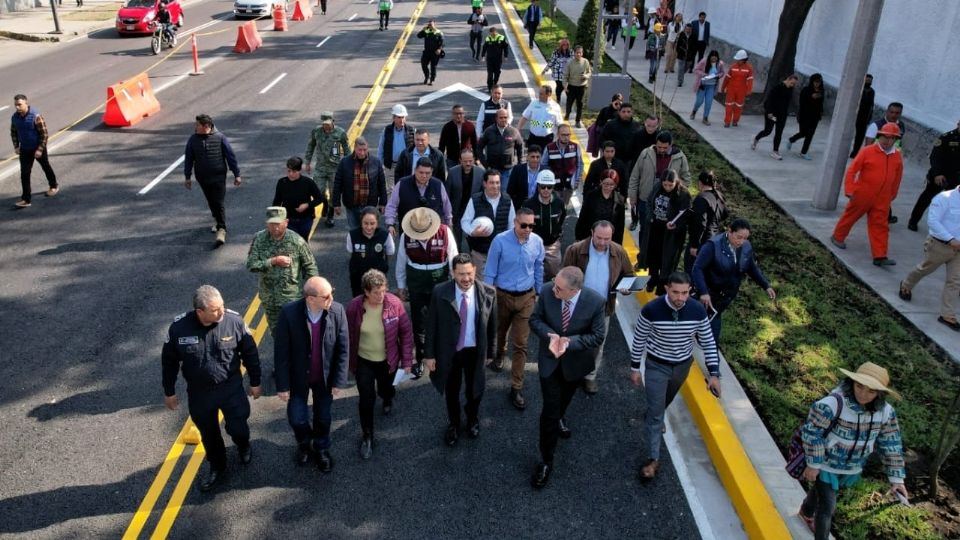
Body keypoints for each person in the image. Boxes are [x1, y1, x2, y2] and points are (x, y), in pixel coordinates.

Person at [161, 285, 261, 491]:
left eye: (222, 306)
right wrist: (169, 391)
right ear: (200, 312)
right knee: (209, 434)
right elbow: (169, 362)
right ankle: (217, 465)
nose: (221, 312)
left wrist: (255, 381)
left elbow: (250, 353)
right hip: (200, 393)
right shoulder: (179, 329)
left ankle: (243, 444)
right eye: (215, 310)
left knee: (239, 426)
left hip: (230, 387)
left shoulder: (233, 321)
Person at [798, 363, 907, 540]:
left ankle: (806, 511)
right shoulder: (831, 404)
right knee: (828, 507)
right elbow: (812, 432)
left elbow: (890, 443)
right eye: (859, 386)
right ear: (852, 382)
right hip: (825, 464)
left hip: (851, 467)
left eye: (871, 391)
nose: (863, 394)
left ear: (880, 393)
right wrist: (813, 464)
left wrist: (897, 478)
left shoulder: (886, 413)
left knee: (822, 493)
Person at [630, 271, 720, 480]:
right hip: (656, 366)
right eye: (675, 292)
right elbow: (639, 339)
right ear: (667, 289)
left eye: (685, 293)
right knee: (655, 412)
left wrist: (714, 374)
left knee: (663, 402)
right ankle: (653, 459)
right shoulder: (652, 310)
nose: (680, 298)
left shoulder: (697, 310)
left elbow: (707, 341)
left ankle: (658, 413)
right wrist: (635, 368)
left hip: (682, 366)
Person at [529, 267, 607, 488]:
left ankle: (561, 416)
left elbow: (598, 335)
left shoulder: (595, 302)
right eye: (555, 284)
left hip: (575, 364)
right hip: (550, 363)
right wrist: (550, 336)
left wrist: (568, 343)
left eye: (560, 289)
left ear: (574, 291)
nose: (554, 290)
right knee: (550, 410)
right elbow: (535, 320)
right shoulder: (546, 292)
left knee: (564, 400)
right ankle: (546, 460)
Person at [274, 276, 349, 472]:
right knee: (297, 419)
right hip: (298, 378)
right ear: (310, 299)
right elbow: (281, 352)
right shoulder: (289, 313)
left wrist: (339, 380)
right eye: (326, 296)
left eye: (331, 292)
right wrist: (282, 385)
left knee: (323, 418)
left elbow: (343, 348)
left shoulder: (337, 311)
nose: (331, 298)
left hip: (324, 378)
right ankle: (305, 444)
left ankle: (322, 448)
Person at [425, 253, 498, 445]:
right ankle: (454, 424)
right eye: (460, 274)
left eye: (469, 273)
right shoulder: (440, 292)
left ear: (474, 271)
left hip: (475, 352)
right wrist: (429, 355)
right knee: (452, 391)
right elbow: (431, 325)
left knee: (475, 391)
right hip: (451, 353)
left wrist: (491, 352)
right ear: (453, 273)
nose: (465, 279)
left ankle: (472, 419)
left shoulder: (489, 292)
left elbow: (492, 326)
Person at [346, 269, 413, 458]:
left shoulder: (394, 304)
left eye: (383, 290)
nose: (381, 296)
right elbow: (347, 335)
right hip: (363, 361)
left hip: (387, 360)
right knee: (366, 399)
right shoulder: (353, 308)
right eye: (376, 292)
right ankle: (367, 436)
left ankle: (387, 397)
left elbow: (406, 333)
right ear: (366, 292)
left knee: (385, 389)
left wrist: (407, 361)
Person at [562, 221, 634, 394]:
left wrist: (626, 287)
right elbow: (563, 275)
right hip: (577, 307)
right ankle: (569, 373)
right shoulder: (575, 250)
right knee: (571, 341)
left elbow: (629, 274)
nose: (602, 242)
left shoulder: (618, 251)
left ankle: (589, 377)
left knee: (597, 345)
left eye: (606, 239)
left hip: (603, 309)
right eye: (599, 238)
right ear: (591, 233)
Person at [484, 208, 545, 410]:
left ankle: (516, 387)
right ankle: (500, 354)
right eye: (523, 225)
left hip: (526, 297)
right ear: (515, 222)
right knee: (500, 332)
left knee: (521, 344)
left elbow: (538, 267)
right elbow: (490, 271)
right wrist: (488, 298)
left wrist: (538, 292)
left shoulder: (537, 242)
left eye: (531, 226)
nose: (527, 229)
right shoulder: (499, 241)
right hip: (502, 296)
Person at [396, 208, 459, 377]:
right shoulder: (405, 236)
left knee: (442, 319)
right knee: (419, 324)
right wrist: (401, 286)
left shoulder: (445, 232)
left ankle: (441, 354)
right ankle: (422, 357)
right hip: (417, 285)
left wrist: (457, 286)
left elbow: (454, 258)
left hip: (441, 285)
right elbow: (401, 263)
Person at [830, 122, 904, 267]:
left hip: (883, 198)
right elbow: (852, 171)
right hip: (863, 193)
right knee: (850, 216)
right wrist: (850, 190)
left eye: (892, 139)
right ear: (880, 136)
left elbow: (897, 177)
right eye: (886, 138)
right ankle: (837, 236)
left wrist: (892, 195)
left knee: (880, 225)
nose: (888, 141)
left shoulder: (897, 157)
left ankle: (880, 255)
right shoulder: (867, 151)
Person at [691, 218, 775, 341]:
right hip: (710, 295)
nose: (741, 241)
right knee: (711, 333)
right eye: (738, 237)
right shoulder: (713, 245)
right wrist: (704, 292)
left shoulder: (746, 247)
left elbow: (751, 267)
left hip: (726, 296)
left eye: (745, 238)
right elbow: (697, 268)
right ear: (730, 231)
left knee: (705, 323)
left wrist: (766, 285)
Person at [246, 206, 319, 332]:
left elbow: (310, 266)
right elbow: (251, 265)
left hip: (291, 298)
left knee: (295, 332)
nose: (275, 227)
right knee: (277, 333)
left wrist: (312, 291)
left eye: (278, 224)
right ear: (266, 223)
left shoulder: (296, 241)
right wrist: (273, 261)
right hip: (269, 299)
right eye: (271, 224)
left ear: (286, 222)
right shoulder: (259, 238)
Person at [898, 185, 960, 332]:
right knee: (924, 269)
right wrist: (950, 239)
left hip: (958, 250)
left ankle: (947, 314)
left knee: (955, 281)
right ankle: (906, 285)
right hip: (940, 245)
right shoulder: (944, 198)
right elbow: (933, 222)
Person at [183, 114, 241, 246]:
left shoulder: (220, 138)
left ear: (206, 126)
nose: (195, 127)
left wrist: (236, 174)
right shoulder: (193, 140)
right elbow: (189, 159)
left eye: (197, 125)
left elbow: (230, 157)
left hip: (218, 177)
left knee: (218, 202)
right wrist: (187, 176)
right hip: (202, 177)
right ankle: (217, 219)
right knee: (211, 201)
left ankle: (221, 229)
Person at [629, 130, 691, 251]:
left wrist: (673, 189)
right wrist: (632, 195)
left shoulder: (680, 157)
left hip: (668, 204)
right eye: (659, 147)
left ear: (671, 145)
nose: (661, 150)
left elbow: (687, 179)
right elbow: (635, 175)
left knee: (662, 234)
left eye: (665, 147)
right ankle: (642, 257)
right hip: (645, 200)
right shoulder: (646, 154)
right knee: (645, 230)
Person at [637, 170, 691, 294]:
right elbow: (649, 203)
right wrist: (650, 216)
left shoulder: (683, 194)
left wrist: (675, 224)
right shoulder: (657, 187)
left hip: (671, 235)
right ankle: (652, 279)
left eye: (670, 185)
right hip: (655, 228)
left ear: (676, 182)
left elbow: (686, 215)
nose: (667, 188)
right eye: (665, 184)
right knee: (653, 256)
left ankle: (662, 286)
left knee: (666, 261)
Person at [907, 120, 960, 231]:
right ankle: (913, 220)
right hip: (941, 175)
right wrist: (937, 174)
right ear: (958, 125)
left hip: (956, 178)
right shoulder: (946, 138)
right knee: (926, 198)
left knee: (951, 204)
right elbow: (935, 157)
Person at [462, 168, 516, 276]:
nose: (495, 186)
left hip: (501, 251)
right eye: (491, 183)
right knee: (482, 285)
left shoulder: (507, 200)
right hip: (480, 252)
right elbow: (465, 221)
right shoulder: (475, 200)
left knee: (500, 281)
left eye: (497, 182)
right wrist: (473, 232)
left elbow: (512, 225)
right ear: (485, 184)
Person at [384, 157, 453, 237]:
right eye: (421, 172)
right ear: (415, 170)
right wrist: (390, 224)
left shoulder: (438, 185)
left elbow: (447, 208)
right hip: (408, 232)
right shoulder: (402, 184)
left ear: (432, 172)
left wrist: (449, 227)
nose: (424, 176)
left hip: (434, 233)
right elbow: (392, 206)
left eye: (427, 173)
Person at [10, 94, 58, 209]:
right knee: (24, 173)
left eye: (19, 104)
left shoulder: (36, 116)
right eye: (15, 105)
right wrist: (16, 146)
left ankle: (54, 186)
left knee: (45, 166)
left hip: (38, 148)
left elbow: (44, 134)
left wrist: (40, 149)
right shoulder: (15, 117)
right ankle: (26, 199)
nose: (17, 107)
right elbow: (13, 132)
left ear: (26, 103)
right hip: (25, 149)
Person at [304, 111, 351, 228]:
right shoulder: (316, 132)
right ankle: (324, 202)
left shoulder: (340, 133)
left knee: (334, 192)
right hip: (320, 167)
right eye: (324, 124)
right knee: (317, 191)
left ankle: (330, 215)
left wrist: (348, 165)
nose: (326, 126)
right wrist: (307, 162)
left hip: (334, 168)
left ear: (333, 121)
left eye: (328, 123)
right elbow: (311, 146)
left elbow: (347, 150)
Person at [862, 102, 906, 225]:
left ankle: (883, 214)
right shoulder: (876, 126)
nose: (894, 115)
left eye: (897, 113)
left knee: (885, 191)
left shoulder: (901, 126)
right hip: (877, 163)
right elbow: (868, 146)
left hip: (891, 163)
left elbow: (898, 144)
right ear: (887, 111)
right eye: (891, 112)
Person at [332, 136, 388, 231]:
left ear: (368, 148)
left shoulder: (376, 162)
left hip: (370, 206)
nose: (362, 153)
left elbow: (382, 183)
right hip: (352, 206)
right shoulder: (345, 162)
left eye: (364, 150)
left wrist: (383, 202)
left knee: (369, 231)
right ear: (355, 148)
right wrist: (336, 204)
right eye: (359, 150)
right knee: (355, 232)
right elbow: (337, 183)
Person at [522, 170, 565, 280]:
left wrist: (557, 232)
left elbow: (562, 217)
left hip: (552, 245)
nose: (546, 190)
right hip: (533, 245)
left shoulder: (559, 203)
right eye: (543, 186)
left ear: (553, 187)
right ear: (538, 187)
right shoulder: (528, 204)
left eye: (549, 187)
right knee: (530, 274)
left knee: (555, 274)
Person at [346, 207, 395, 298]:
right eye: (365, 223)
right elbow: (351, 252)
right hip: (357, 276)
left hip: (378, 276)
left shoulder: (385, 235)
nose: (369, 227)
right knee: (359, 301)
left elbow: (390, 252)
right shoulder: (352, 235)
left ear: (377, 223)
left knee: (377, 299)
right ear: (361, 222)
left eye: (372, 223)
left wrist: (384, 266)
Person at [685, 170, 727, 272]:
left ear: (700, 183)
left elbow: (700, 224)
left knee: (692, 271)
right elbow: (725, 214)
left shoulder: (701, 198)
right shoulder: (719, 196)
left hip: (701, 242)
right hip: (714, 239)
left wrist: (695, 245)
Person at [272, 156, 323, 241]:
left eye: (294, 171)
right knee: (291, 243)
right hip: (288, 220)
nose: (290, 174)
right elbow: (277, 201)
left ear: (300, 171)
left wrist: (307, 205)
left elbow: (319, 198)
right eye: (288, 171)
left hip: (305, 220)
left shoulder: (308, 183)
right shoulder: (282, 182)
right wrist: (275, 219)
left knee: (303, 242)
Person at [751, 73, 799, 160]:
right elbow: (769, 100)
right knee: (767, 131)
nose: (793, 85)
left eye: (794, 84)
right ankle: (756, 138)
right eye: (792, 83)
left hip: (782, 114)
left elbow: (787, 102)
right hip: (772, 113)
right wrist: (769, 112)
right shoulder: (778, 87)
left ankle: (775, 151)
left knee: (779, 132)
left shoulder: (790, 89)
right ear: (788, 79)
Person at [447, 149, 486, 245]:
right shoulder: (452, 172)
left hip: (473, 209)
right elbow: (447, 193)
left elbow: (483, 193)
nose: (468, 163)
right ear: (460, 160)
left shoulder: (480, 172)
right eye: (465, 161)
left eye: (470, 161)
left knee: (472, 235)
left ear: (474, 159)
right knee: (457, 236)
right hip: (457, 209)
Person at [576, 169, 626, 244]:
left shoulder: (619, 200)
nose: (608, 187)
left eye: (611, 185)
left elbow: (620, 226)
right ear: (601, 182)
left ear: (615, 185)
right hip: (591, 236)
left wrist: (618, 245)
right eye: (606, 184)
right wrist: (579, 237)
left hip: (609, 239)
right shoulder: (591, 196)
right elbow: (583, 217)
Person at [377, 104, 416, 194]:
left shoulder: (411, 131)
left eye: (403, 117)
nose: (401, 120)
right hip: (391, 166)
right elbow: (381, 148)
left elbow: (416, 149)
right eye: (399, 117)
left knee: (406, 189)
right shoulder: (387, 130)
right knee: (391, 191)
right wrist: (380, 166)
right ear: (393, 118)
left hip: (405, 165)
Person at [542, 124, 582, 205]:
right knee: (554, 207)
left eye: (568, 134)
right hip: (553, 186)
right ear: (558, 135)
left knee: (564, 208)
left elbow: (580, 165)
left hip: (569, 185)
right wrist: (547, 181)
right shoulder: (549, 147)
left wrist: (577, 180)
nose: (566, 137)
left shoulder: (575, 147)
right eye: (563, 135)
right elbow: (543, 166)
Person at [787, 73, 825, 159]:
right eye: (815, 82)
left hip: (815, 116)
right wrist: (811, 98)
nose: (817, 84)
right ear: (812, 82)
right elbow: (802, 103)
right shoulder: (806, 90)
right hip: (805, 115)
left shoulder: (821, 91)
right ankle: (792, 139)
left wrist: (820, 113)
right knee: (803, 133)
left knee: (810, 135)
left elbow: (821, 104)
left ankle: (804, 152)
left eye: (819, 82)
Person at [477, 109, 523, 178]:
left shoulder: (514, 131)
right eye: (501, 117)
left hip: (508, 170)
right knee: (492, 188)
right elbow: (479, 148)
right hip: (492, 169)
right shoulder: (488, 131)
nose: (503, 119)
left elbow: (520, 148)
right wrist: (485, 164)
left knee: (505, 189)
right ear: (496, 118)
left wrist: (519, 164)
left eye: (505, 117)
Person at [517, 85, 563, 150]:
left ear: (548, 94)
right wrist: (518, 129)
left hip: (547, 139)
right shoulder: (534, 103)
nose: (539, 95)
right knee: (532, 157)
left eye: (541, 94)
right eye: (539, 93)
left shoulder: (555, 106)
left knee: (545, 158)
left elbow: (559, 124)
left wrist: (561, 137)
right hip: (533, 137)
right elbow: (525, 117)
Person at [600, 102, 641, 173]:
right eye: (623, 111)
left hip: (629, 161)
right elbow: (602, 140)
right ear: (619, 112)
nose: (626, 114)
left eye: (628, 112)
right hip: (613, 159)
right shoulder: (611, 125)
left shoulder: (636, 126)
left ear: (632, 112)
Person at [719, 49, 753, 128]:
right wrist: (723, 87)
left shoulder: (749, 68)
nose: (737, 61)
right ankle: (727, 122)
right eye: (737, 59)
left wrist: (749, 90)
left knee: (739, 106)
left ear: (744, 60)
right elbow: (727, 78)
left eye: (739, 60)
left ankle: (735, 121)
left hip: (742, 91)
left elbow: (750, 80)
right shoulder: (733, 67)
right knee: (729, 106)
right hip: (731, 89)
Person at [690, 50, 724, 126]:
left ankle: (705, 118)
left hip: (711, 86)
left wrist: (718, 76)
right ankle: (694, 111)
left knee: (709, 102)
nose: (714, 59)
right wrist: (703, 74)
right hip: (702, 85)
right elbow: (696, 69)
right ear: (710, 57)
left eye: (715, 58)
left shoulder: (720, 64)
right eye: (712, 57)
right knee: (699, 101)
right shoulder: (704, 61)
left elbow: (722, 72)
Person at [439, 105, 479, 169]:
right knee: (453, 177)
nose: (458, 116)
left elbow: (475, 144)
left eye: (460, 113)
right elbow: (442, 145)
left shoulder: (470, 126)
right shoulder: (447, 127)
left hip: (467, 159)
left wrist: (476, 158)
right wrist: (440, 160)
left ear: (464, 114)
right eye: (456, 114)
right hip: (452, 159)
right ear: (452, 114)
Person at [506, 144, 544, 209]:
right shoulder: (517, 169)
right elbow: (510, 191)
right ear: (527, 157)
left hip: (540, 207)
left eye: (538, 157)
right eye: (532, 157)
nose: (535, 159)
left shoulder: (545, 171)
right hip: (521, 207)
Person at [562, 46, 591, 128]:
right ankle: (567, 114)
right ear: (574, 53)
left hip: (582, 87)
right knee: (569, 103)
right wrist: (565, 86)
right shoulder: (569, 63)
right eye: (577, 52)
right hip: (572, 86)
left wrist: (585, 76)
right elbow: (565, 76)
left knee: (580, 105)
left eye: (580, 52)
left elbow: (589, 73)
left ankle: (577, 121)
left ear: (582, 53)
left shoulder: (585, 62)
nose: (578, 54)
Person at [849, 74, 875, 159]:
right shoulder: (858, 89)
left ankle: (855, 152)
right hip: (854, 115)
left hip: (864, 118)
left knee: (860, 136)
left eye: (870, 80)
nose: (868, 82)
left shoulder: (872, 91)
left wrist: (869, 117)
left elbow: (871, 105)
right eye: (867, 80)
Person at [481, 27, 510, 94]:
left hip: (498, 59)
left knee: (497, 73)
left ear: (496, 32)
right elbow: (484, 48)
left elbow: (505, 47)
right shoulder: (488, 38)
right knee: (490, 74)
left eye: (493, 34)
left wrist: (505, 56)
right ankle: (490, 87)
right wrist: (483, 56)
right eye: (491, 34)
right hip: (490, 59)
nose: (492, 35)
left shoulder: (501, 38)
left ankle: (495, 83)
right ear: (490, 33)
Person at [417, 20, 444, 85]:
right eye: (429, 24)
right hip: (426, 52)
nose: (430, 26)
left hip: (435, 53)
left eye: (431, 24)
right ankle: (426, 76)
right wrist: (423, 30)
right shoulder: (426, 31)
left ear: (434, 24)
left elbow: (442, 42)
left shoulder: (439, 32)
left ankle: (431, 80)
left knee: (433, 66)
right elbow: (419, 36)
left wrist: (439, 49)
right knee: (423, 64)